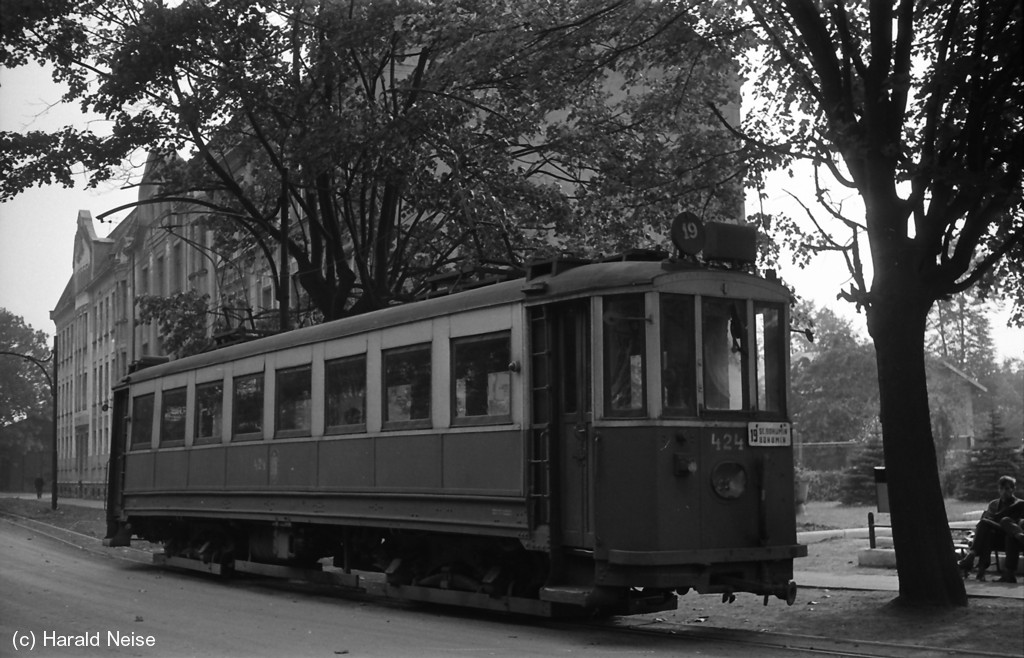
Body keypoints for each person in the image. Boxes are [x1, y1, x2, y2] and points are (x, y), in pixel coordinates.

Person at [958, 475, 1024, 583]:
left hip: (1011, 538)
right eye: (1001, 489)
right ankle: (979, 567)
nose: (1003, 492)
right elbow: (989, 519)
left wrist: (996, 519)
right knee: (987, 532)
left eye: (1007, 489)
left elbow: (1018, 523)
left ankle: (971, 555)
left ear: (1013, 489)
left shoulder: (1020, 504)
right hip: (996, 537)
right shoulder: (994, 504)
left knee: (1002, 521)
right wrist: (994, 520)